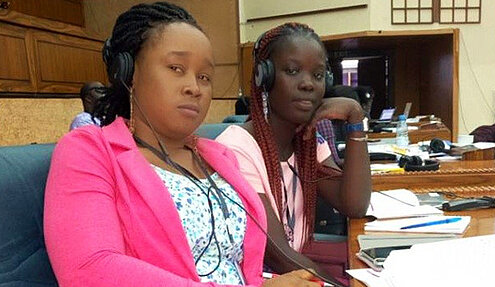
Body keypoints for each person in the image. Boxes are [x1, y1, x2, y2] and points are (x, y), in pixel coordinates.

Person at [44, 3, 321, 287]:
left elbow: (234, 263)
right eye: (176, 68)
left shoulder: (219, 157)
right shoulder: (89, 152)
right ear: (127, 73)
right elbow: (89, 269)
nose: (194, 87)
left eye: (204, 77)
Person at [216, 23, 372, 282]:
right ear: (264, 77)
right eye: (292, 71)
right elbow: (278, 255)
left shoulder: (309, 142)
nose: (308, 84)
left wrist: (355, 118)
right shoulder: (236, 149)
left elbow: (354, 204)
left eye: (318, 75)